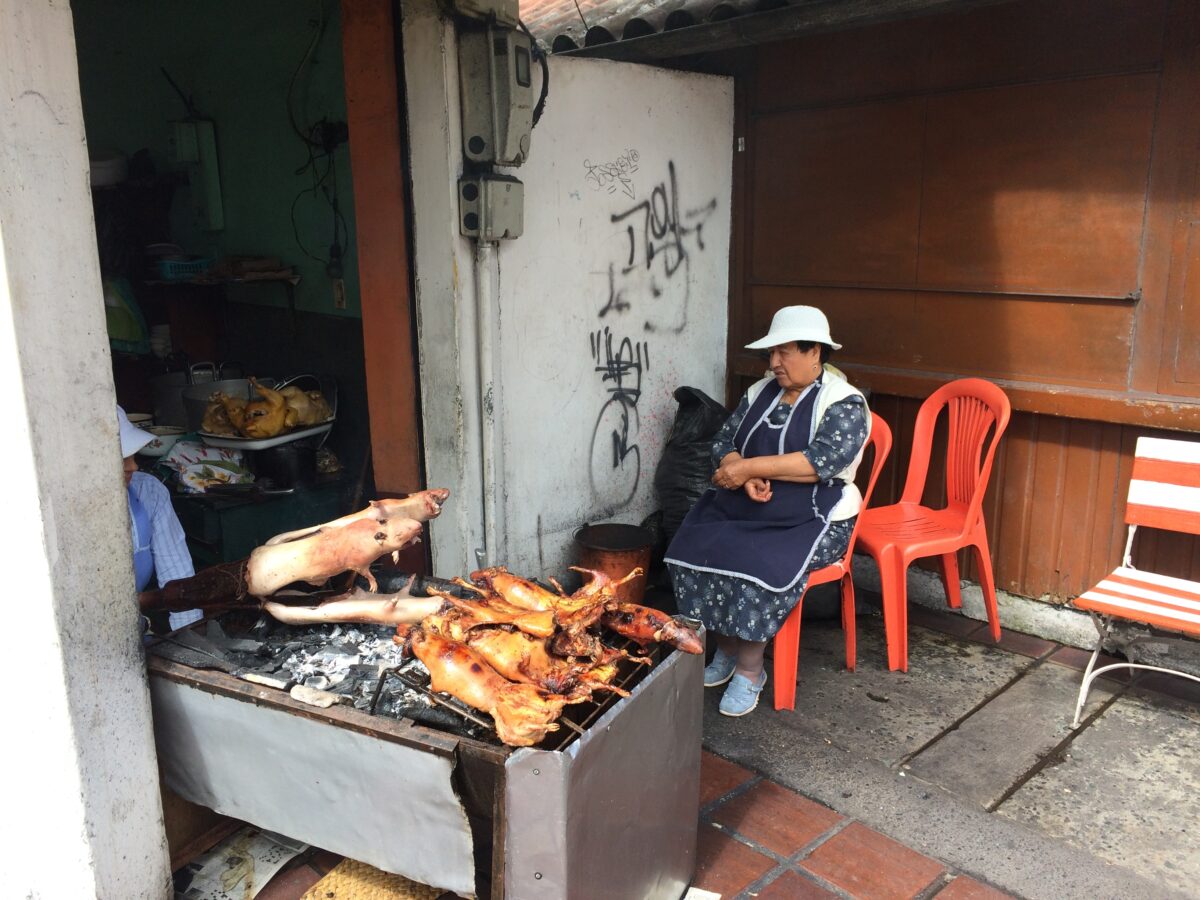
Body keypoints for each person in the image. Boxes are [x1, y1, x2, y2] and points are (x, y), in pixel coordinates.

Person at [664, 306, 869, 716]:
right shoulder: (760, 392)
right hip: (751, 501)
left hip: (817, 512)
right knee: (694, 545)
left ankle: (750, 669)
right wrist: (740, 471)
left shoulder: (844, 402)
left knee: (757, 563)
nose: (774, 362)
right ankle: (726, 646)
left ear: (816, 353)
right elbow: (723, 441)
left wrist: (748, 468)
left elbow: (820, 462)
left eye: (785, 352)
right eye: (771, 353)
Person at [117, 406, 201, 632]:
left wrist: (191, 640)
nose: (133, 466)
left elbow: (178, 576)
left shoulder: (149, 492)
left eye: (132, 456)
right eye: (121, 457)